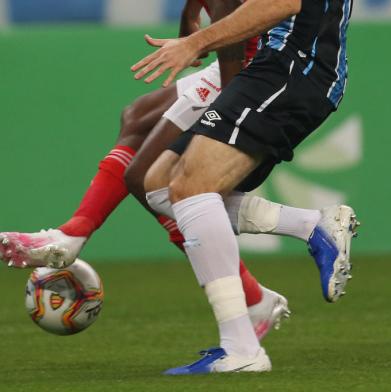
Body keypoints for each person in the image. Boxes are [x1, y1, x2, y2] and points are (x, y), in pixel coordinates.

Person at [0, 0, 290, 344]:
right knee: (136, 121)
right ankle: (255, 296)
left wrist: (229, 100)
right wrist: (189, 20)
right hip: (238, 58)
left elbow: (233, 16)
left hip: (252, 67)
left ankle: (310, 230)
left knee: (146, 176)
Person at [131, 0, 359, 374]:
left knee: (191, 187)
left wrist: (196, 42)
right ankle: (312, 225)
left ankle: (241, 349)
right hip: (278, 65)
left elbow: (281, 2)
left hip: (295, 66)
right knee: (160, 184)